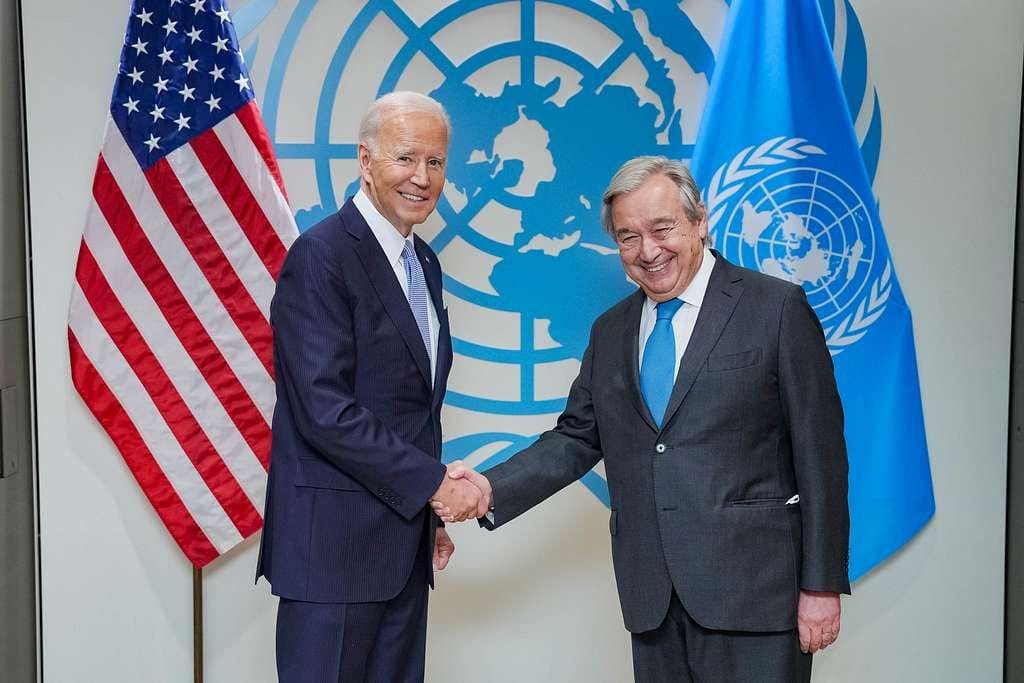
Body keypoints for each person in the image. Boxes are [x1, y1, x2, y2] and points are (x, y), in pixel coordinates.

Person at [437, 156, 850, 682]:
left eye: (662, 228)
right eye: (628, 237)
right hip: (653, 599)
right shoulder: (611, 331)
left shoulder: (776, 307)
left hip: (757, 598)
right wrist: (487, 488)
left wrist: (820, 585)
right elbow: (575, 439)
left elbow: (822, 455)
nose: (648, 251)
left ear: (700, 220)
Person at [256, 91, 484, 683]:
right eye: (406, 158)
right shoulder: (322, 256)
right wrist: (434, 485)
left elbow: (410, 410)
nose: (422, 177)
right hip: (332, 556)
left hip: (401, 548)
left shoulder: (423, 262)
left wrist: (424, 514)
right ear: (365, 159)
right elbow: (325, 410)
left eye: (436, 162)